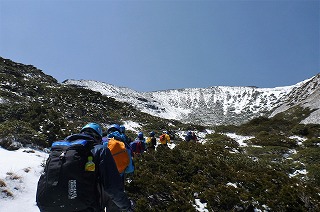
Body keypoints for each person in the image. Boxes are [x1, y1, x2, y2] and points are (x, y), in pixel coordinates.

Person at [37, 123, 133, 212]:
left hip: (49, 205)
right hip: (83, 206)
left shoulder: (60, 148)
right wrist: (127, 206)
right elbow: (112, 187)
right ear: (98, 137)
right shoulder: (100, 150)